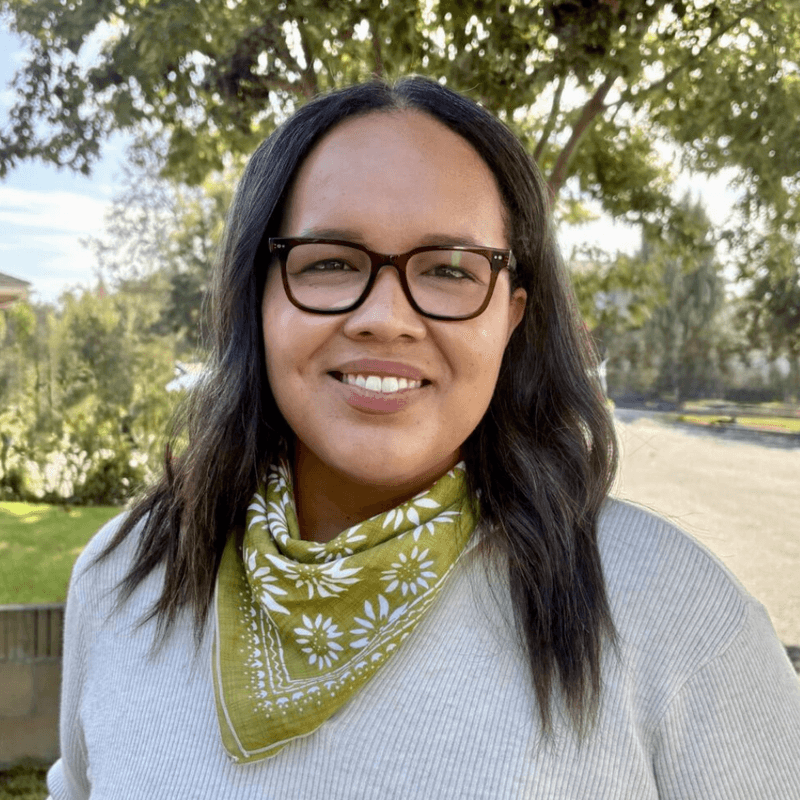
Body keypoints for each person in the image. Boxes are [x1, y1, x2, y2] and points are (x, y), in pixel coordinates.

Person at [47, 77, 800, 799]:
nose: (386, 318)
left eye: (448, 270)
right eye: (330, 261)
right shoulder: (124, 578)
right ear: (257, 296)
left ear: (511, 316)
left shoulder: (674, 614)